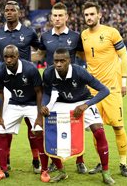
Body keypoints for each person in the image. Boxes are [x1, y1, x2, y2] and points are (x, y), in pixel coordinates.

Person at [40, 47, 114, 184]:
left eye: (62, 61)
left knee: (99, 132)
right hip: (61, 102)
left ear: (69, 61)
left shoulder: (80, 72)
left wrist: (86, 105)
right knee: (48, 133)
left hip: (83, 101)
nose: (58, 64)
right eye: (56, 61)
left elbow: (105, 90)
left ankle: (106, 172)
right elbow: (47, 93)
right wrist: (43, 105)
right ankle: (62, 171)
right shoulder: (49, 73)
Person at [31, 2, 87, 174]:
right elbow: (39, 55)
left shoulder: (76, 36)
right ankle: (55, 160)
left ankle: (80, 160)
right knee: (52, 125)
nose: (57, 18)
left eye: (60, 15)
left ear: (66, 17)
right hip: (51, 87)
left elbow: (84, 56)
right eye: (54, 15)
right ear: (51, 17)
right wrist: (19, 57)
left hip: (73, 87)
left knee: (77, 124)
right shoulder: (45, 36)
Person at [81, 2, 127, 177]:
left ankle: (123, 164)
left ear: (99, 15)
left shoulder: (111, 32)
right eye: (86, 14)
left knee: (118, 127)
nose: (89, 17)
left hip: (111, 88)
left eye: (92, 14)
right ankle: (102, 162)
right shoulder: (83, 35)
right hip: (93, 91)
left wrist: (123, 81)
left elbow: (124, 55)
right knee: (97, 129)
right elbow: (85, 54)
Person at [0, 0, 42, 173]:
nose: (9, 12)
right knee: (4, 125)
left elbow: (41, 50)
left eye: (13, 10)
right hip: (6, 83)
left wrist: (30, 64)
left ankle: (36, 159)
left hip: (28, 81)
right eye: (6, 10)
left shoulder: (29, 32)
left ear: (19, 13)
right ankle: (6, 159)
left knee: (33, 125)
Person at [0, 45, 43, 180]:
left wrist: (39, 117)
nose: (8, 60)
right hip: (15, 103)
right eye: (6, 57)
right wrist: (0, 117)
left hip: (32, 103)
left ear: (17, 56)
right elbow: (0, 93)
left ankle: (43, 167)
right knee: (1, 130)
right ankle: (3, 169)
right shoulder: (0, 70)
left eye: (12, 57)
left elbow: (39, 92)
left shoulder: (30, 69)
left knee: (39, 130)